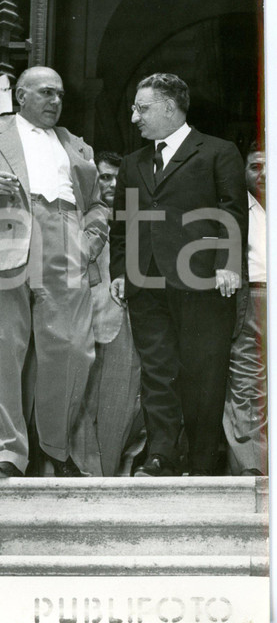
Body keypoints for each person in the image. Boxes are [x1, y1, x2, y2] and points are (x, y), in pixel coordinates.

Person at [0, 66, 108, 478]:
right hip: (4, 243)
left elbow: (99, 205)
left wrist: (88, 243)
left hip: (66, 240)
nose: (55, 101)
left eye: (60, 94)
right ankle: (5, 454)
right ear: (21, 96)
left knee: (73, 350)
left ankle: (55, 448)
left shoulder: (78, 146)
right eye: (46, 93)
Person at [109, 73, 248, 477]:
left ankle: (204, 463)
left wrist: (228, 264)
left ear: (169, 108)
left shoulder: (218, 152)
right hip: (145, 281)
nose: (134, 116)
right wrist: (121, 271)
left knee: (203, 373)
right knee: (157, 372)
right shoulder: (133, 162)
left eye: (142, 108)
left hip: (203, 280)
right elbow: (122, 223)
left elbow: (231, 211)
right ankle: (162, 456)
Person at [72, 151, 144, 476]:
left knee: (122, 405)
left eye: (118, 177)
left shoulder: (137, 220)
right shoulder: (78, 218)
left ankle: (112, 473)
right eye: (104, 177)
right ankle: (90, 473)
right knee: (79, 404)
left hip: (123, 324)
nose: (112, 183)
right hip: (82, 322)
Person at [223, 140, 267, 476]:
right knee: (248, 384)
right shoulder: (234, 210)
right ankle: (254, 470)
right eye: (256, 166)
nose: (264, 173)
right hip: (253, 298)